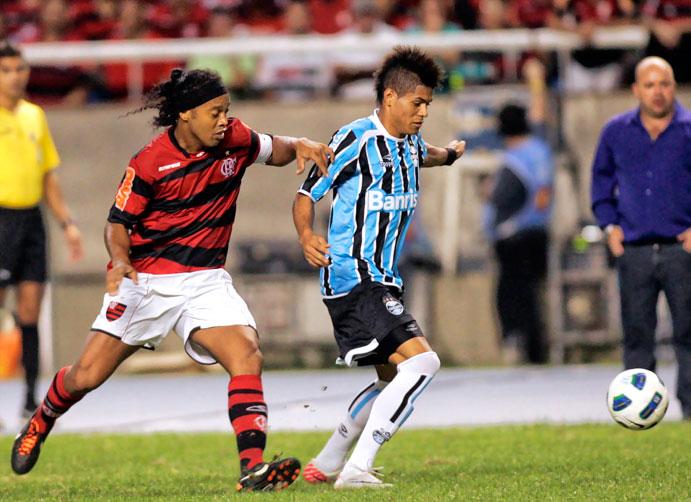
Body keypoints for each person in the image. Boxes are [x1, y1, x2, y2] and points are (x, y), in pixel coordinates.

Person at [11, 67, 334, 492]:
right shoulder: (150, 162)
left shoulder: (235, 138)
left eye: (227, 111)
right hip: (147, 282)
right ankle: (41, 419)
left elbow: (276, 149)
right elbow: (117, 224)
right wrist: (121, 262)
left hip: (205, 280)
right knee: (85, 377)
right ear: (185, 114)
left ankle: (252, 468)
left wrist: (302, 145)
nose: (224, 120)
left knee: (246, 355)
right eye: (215, 112)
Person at [293, 46, 466, 489]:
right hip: (355, 277)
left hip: (382, 280)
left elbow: (422, 153)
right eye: (418, 103)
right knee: (424, 363)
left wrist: (449, 155)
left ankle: (329, 461)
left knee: (391, 378)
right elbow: (307, 194)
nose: (424, 111)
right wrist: (307, 236)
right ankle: (357, 469)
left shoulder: (408, 142)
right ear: (391, 97)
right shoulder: (355, 140)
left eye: (428, 103)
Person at [591, 56, 691, 420]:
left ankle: (690, 411)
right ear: (636, 90)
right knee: (636, 336)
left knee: (688, 332)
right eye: (649, 85)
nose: (657, 92)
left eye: (663, 84)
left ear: (674, 86)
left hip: (681, 249)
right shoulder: (615, 132)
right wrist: (609, 226)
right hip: (633, 249)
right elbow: (601, 183)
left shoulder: (689, 128)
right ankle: (639, 413)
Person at [0, 42, 83, 419]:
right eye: (6, 70)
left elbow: (49, 175)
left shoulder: (35, 116)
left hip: (31, 220)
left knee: (30, 311)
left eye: (20, 69)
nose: (15, 77)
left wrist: (67, 223)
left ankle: (30, 401)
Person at [482, 58, 554, 364]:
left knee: (512, 294)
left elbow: (502, 199)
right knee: (533, 293)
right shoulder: (541, 149)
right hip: (539, 230)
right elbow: (541, 117)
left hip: (514, 234)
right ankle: (536, 346)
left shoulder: (514, 159)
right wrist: (537, 82)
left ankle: (522, 345)